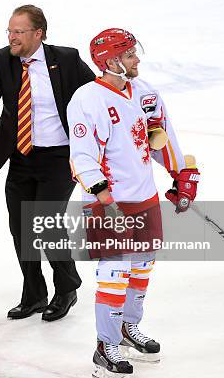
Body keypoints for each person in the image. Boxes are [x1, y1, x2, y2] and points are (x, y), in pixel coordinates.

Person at [67, 28, 200, 377]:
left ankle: (128, 328)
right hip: (109, 203)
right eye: (128, 54)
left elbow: (161, 139)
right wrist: (103, 197)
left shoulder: (145, 93)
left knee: (141, 268)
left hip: (145, 198)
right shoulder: (87, 100)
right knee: (114, 274)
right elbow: (81, 157)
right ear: (111, 62)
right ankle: (104, 346)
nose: (136, 59)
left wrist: (181, 174)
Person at [0, 5, 95, 321]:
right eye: (9, 31)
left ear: (38, 33)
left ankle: (66, 289)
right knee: (20, 227)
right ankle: (33, 293)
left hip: (60, 157)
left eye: (18, 32)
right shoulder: (2, 58)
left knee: (45, 223)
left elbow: (94, 94)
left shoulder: (66, 59)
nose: (12, 38)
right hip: (21, 154)